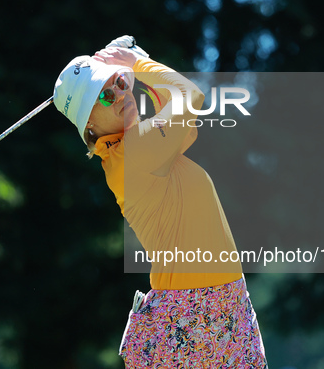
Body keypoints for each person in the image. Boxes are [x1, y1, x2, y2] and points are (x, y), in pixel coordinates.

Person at [53, 36, 267, 368]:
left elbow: (185, 121)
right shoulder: (135, 151)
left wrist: (136, 61)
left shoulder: (135, 150)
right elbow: (190, 97)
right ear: (89, 125)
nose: (121, 95)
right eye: (106, 96)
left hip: (215, 307)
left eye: (121, 82)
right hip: (196, 314)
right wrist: (137, 63)